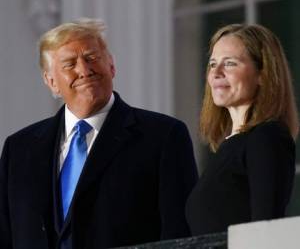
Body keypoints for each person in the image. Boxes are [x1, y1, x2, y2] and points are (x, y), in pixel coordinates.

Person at [0, 18, 198, 249]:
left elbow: (179, 236)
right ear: (51, 81)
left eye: (92, 58)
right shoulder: (19, 149)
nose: (84, 70)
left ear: (111, 66)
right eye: (69, 64)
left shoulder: (163, 136)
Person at [185, 23, 299, 236]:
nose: (216, 73)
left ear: (262, 75)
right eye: (212, 64)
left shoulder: (267, 137)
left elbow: (265, 232)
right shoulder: (230, 145)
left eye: (230, 63)